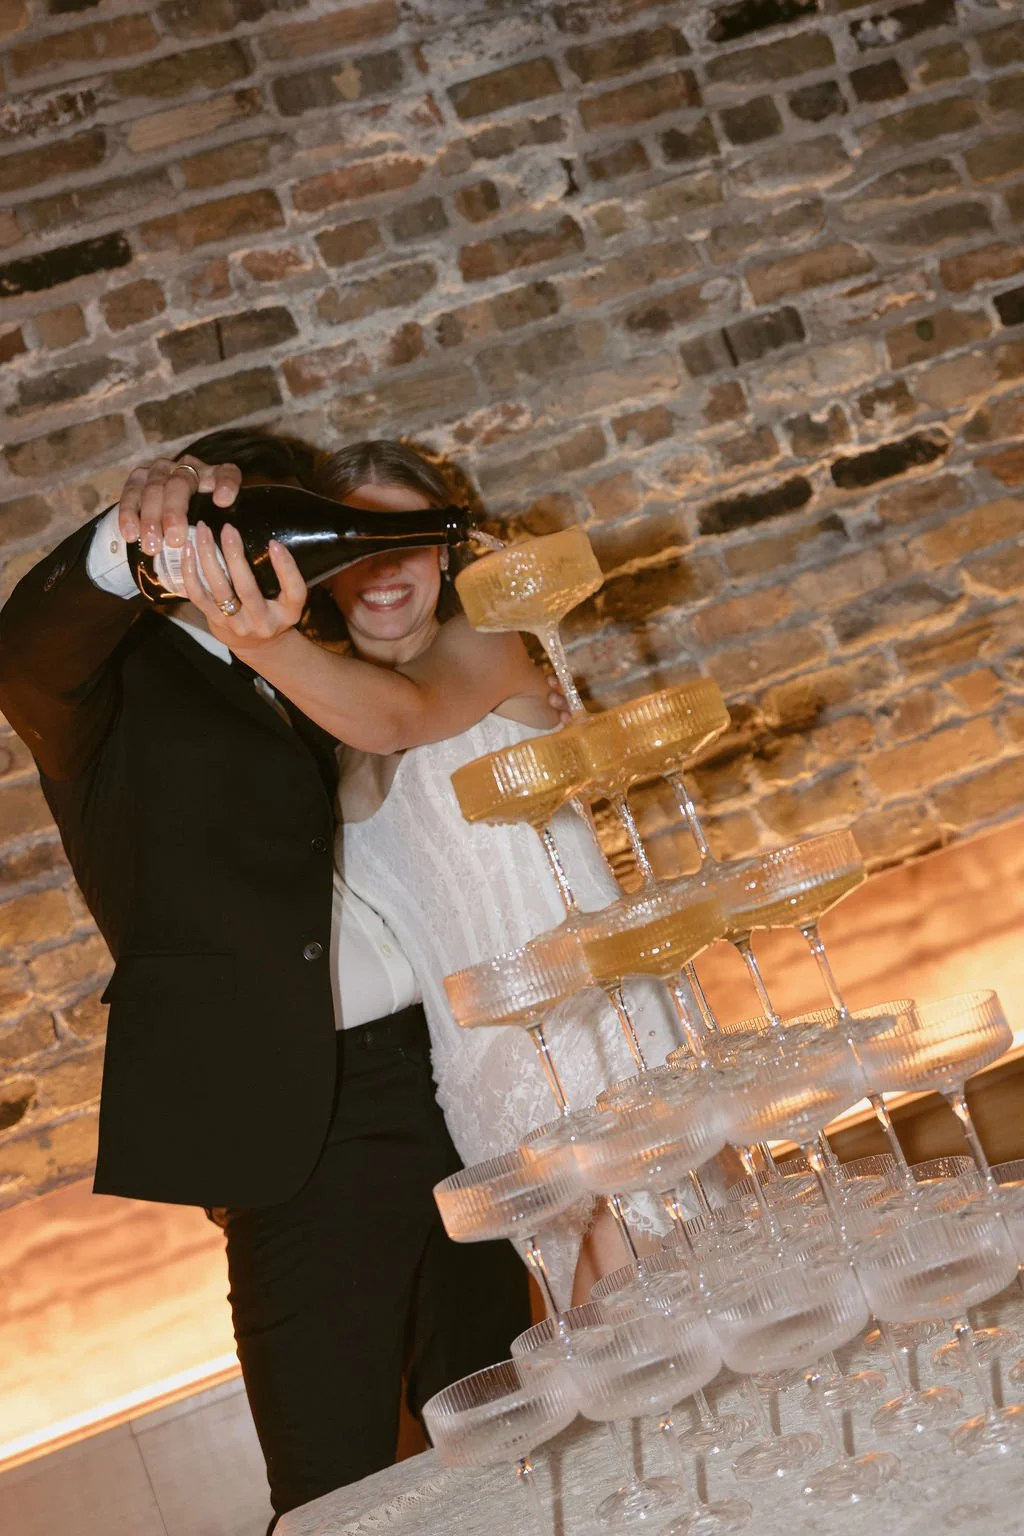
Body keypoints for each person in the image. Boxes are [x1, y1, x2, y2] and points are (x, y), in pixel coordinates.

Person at [0, 429, 532, 1527]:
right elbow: (21, 645)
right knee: (336, 1488)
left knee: (503, 1427)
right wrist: (133, 530)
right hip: (297, 1134)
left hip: (449, 1076)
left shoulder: (329, 652)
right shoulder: (98, 687)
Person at [176, 439, 687, 1306]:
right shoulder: (325, 740)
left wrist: (254, 637)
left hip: (592, 1025)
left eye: (406, 538)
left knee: (679, 1293)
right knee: (595, 1327)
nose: (381, 567)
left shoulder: (488, 644)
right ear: (319, 566)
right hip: (479, 1075)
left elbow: (402, 715)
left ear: (444, 551)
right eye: (353, 544)